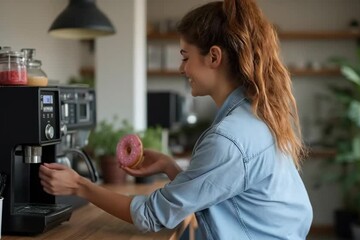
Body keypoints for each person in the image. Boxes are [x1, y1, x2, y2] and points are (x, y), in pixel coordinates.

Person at [39, 0, 313, 239]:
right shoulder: (252, 116)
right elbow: (222, 189)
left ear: (214, 57)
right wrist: (170, 167)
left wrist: (80, 186)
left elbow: (152, 215)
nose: (182, 68)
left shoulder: (229, 138)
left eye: (185, 57)